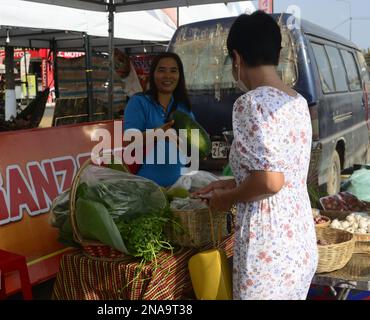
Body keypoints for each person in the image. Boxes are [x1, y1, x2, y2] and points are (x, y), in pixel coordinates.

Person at [194, 11, 317, 300]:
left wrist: (226, 199)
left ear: (236, 58)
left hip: (267, 248)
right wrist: (230, 183)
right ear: (276, 52)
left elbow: (270, 181)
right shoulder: (296, 101)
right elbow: (276, 168)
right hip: (298, 241)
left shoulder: (251, 104)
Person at [123, 52, 194, 187]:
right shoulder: (139, 102)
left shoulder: (183, 107)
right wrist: (158, 134)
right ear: (153, 74)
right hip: (146, 190)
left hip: (179, 188)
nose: (168, 76)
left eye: (173, 71)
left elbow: (192, 145)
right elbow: (129, 140)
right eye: (162, 70)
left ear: (179, 76)